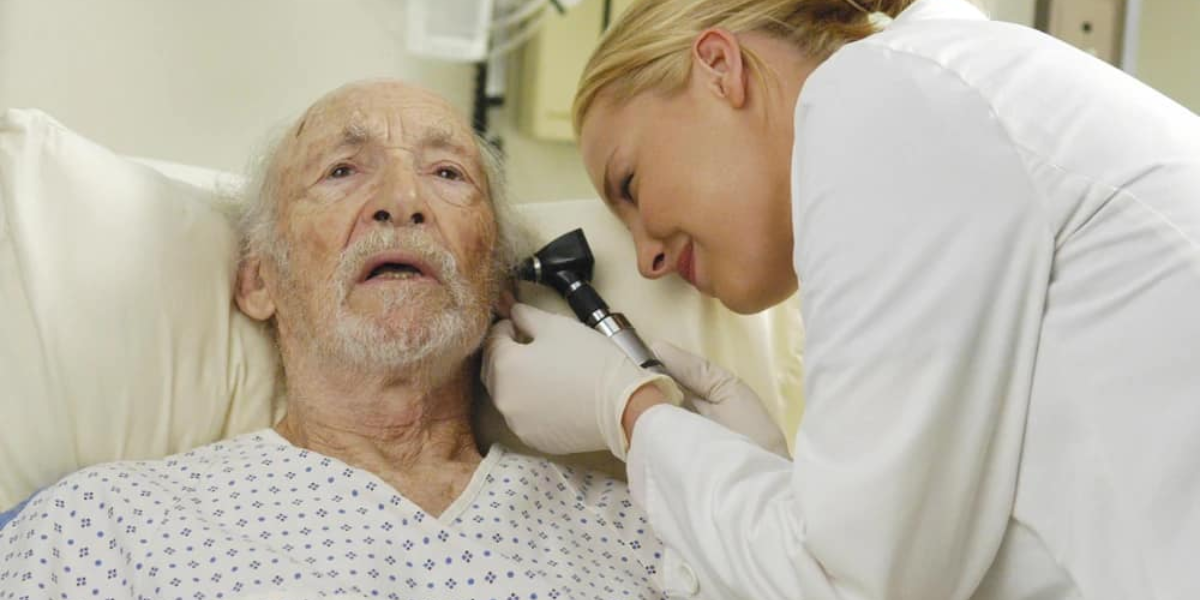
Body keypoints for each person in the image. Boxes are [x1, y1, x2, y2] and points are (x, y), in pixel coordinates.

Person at [482, 0, 1200, 598]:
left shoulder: (880, 98)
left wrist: (634, 414)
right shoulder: (936, 81)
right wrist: (777, 483)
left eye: (630, 184)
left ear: (717, 68)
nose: (647, 257)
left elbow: (856, 583)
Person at [0, 79, 679, 600]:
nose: (402, 200)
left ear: (499, 284)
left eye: (448, 174)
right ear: (259, 280)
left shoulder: (650, 531)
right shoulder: (103, 528)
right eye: (342, 171)